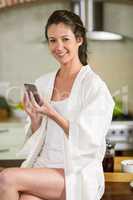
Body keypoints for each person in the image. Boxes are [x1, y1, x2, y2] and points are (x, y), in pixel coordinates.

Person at [0, 10, 115, 200]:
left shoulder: (94, 86)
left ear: (79, 40)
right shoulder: (43, 82)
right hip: (43, 167)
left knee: (5, 178)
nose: (58, 46)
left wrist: (53, 114)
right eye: (52, 40)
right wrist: (35, 118)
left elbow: (90, 140)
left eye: (65, 39)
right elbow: (40, 138)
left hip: (74, 172)